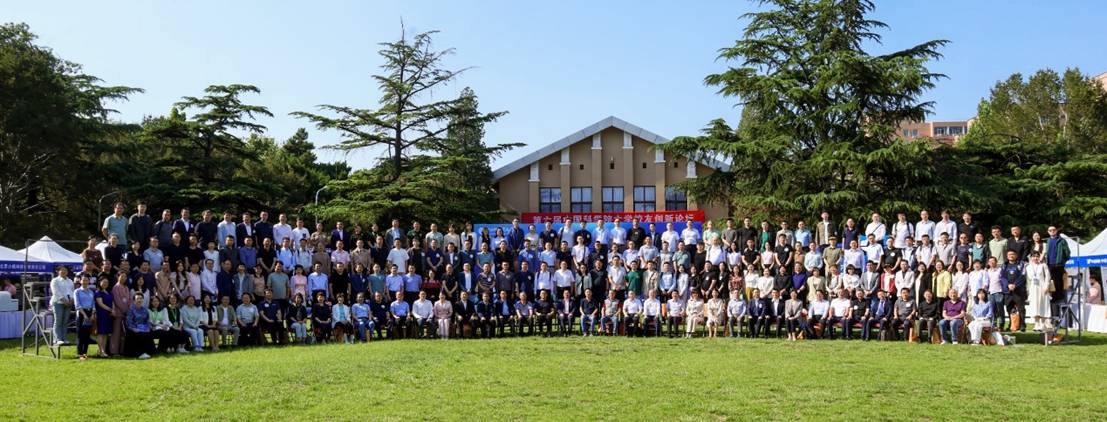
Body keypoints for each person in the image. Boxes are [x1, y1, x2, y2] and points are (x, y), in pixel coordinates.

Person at [1025, 252, 1052, 330]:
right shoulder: (1028, 267)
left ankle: (1043, 323)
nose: (1035, 258)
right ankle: (1036, 324)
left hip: (1042, 287)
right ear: (1031, 258)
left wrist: (1046, 286)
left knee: (1043, 305)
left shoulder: (1043, 266)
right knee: (1035, 305)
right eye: (1034, 256)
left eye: (1037, 256)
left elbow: (1048, 277)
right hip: (1033, 288)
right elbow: (1029, 279)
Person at [50, 266, 75, 345]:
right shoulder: (55, 280)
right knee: (58, 321)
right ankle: (57, 339)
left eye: (65, 270)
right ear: (58, 271)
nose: (64, 272)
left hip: (68, 303)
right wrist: (64, 300)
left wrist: (71, 300)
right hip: (58, 303)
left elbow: (72, 291)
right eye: (62, 270)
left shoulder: (70, 281)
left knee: (65, 321)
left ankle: (64, 338)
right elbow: (55, 292)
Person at [125, 292, 154, 359]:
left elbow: (147, 321)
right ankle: (139, 353)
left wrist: (147, 328)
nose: (139, 300)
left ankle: (148, 352)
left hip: (144, 328)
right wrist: (135, 329)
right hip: (133, 328)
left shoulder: (145, 310)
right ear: (134, 300)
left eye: (141, 298)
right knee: (139, 334)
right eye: (137, 298)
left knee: (150, 333)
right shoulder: (131, 310)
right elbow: (129, 322)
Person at [72, 274, 96, 359]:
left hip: (90, 313)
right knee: (80, 334)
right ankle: (80, 354)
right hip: (81, 313)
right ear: (80, 281)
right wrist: (85, 315)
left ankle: (85, 353)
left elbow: (93, 304)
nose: (85, 282)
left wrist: (92, 314)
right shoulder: (77, 291)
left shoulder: (91, 292)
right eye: (83, 280)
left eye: (87, 280)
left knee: (87, 335)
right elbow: (77, 305)